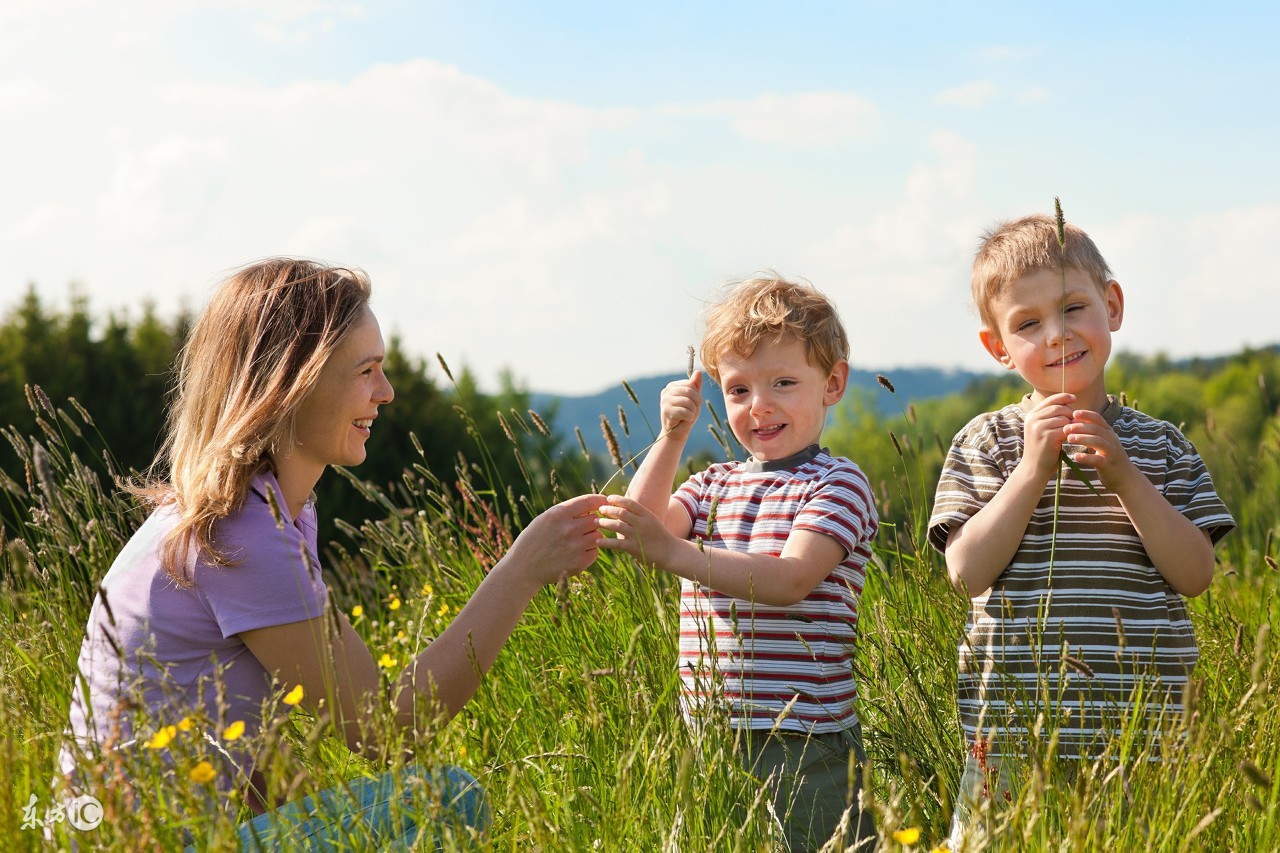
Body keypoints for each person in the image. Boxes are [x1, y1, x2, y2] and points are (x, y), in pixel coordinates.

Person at [58, 258, 605, 849]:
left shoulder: (259, 511)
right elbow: (389, 730)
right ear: (292, 382)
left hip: (134, 833)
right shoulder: (244, 534)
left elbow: (248, 747)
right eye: (365, 371)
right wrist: (521, 572)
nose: (387, 393)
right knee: (449, 798)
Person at [927, 215, 1236, 846]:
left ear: (1112, 306)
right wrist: (1033, 469)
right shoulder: (986, 441)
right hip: (1011, 730)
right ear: (998, 347)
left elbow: (1196, 574)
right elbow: (967, 571)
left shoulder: (1161, 445)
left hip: (1143, 734)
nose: (1057, 334)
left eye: (1074, 308)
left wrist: (1126, 478)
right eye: (1028, 323)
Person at [597, 274, 879, 851]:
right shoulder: (712, 483)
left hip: (807, 736)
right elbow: (641, 525)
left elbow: (791, 579)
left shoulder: (836, 483)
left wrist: (674, 553)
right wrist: (672, 437)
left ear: (832, 383)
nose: (761, 405)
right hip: (709, 728)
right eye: (739, 389)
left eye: (783, 382)